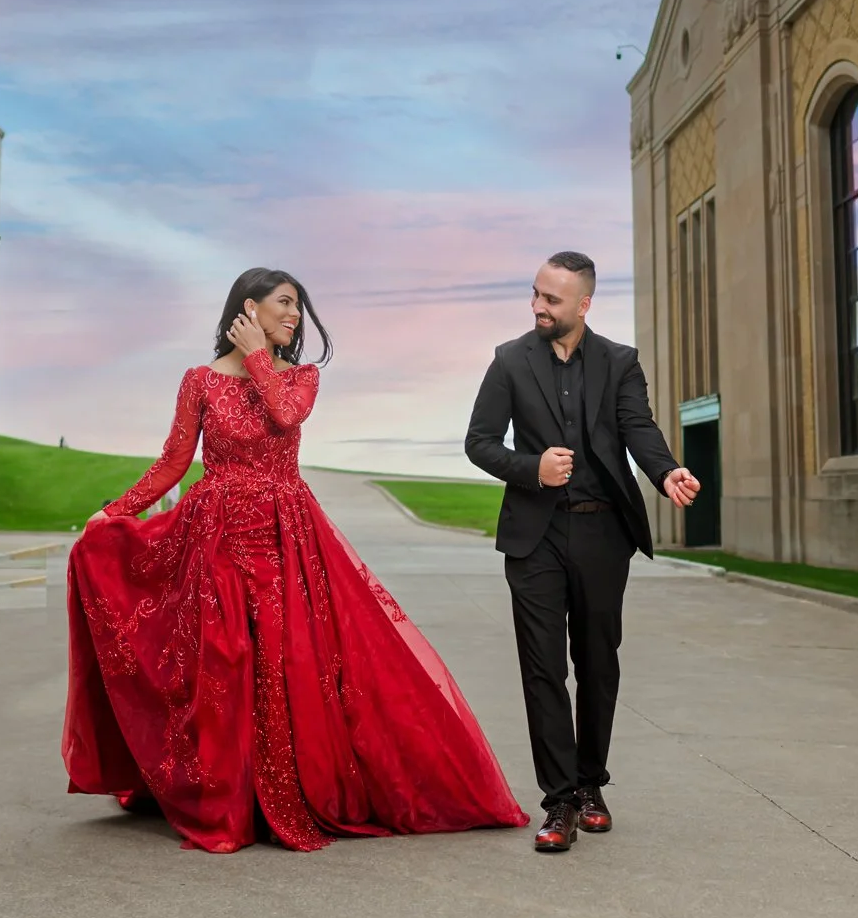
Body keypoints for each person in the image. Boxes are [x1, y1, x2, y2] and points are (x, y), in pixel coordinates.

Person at [63, 267, 528, 853]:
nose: (295, 316)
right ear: (247, 307)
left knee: (290, 662)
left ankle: (283, 793)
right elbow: (173, 463)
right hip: (216, 535)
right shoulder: (199, 381)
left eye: (299, 307)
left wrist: (259, 356)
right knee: (225, 662)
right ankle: (230, 796)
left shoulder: (302, 376)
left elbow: (285, 414)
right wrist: (113, 513)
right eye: (284, 303)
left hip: (288, 537)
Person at [465, 251, 700, 854]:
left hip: (601, 535)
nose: (539, 307)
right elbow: (480, 443)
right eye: (536, 294)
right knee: (542, 668)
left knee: (597, 663)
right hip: (535, 536)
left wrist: (666, 470)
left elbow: (637, 427)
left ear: (584, 304)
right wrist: (532, 468)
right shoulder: (509, 361)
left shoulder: (620, 362)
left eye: (553, 299)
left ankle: (593, 784)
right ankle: (560, 800)